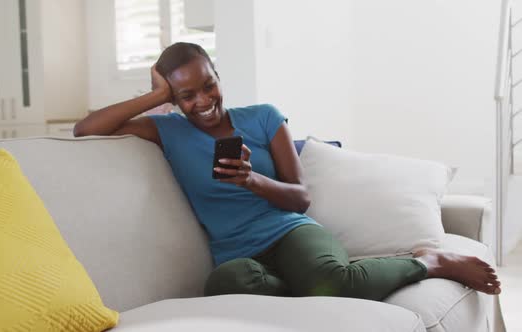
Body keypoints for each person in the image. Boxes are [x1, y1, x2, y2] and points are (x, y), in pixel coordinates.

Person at [74, 42, 501, 299]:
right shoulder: (168, 131)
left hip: (290, 230)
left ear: (219, 76)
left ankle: (429, 261)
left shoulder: (263, 116)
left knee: (334, 282)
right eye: (186, 95)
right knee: (225, 284)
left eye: (208, 85)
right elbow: (85, 129)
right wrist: (157, 95)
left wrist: (251, 179)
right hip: (237, 252)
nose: (203, 100)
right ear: (173, 98)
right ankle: (303, 287)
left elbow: (301, 196)